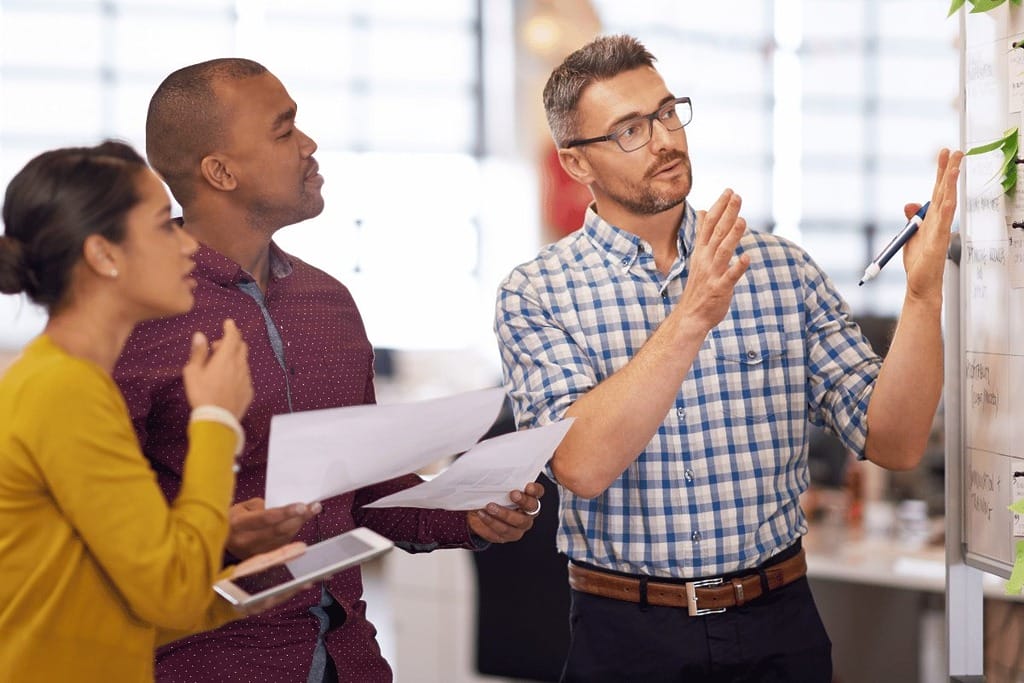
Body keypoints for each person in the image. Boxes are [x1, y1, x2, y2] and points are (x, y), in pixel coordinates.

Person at [493, 34, 962, 683]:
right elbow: (582, 464)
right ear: (576, 164)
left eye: (665, 112)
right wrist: (691, 317)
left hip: (780, 620)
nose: (663, 138)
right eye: (630, 129)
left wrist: (922, 294)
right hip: (627, 635)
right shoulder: (537, 292)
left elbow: (897, 439)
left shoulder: (777, 267)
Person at [112, 58, 544, 683]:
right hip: (202, 661)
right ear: (220, 170)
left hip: (350, 657)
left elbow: (361, 495)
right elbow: (89, 519)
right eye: (284, 131)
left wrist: (467, 515)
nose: (309, 145)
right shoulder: (135, 313)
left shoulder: (329, 302)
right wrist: (216, 535)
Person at [0, 141, 305, 682]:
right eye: (165, 225)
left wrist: (227, 599)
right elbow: (169, 592)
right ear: (103, 254)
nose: (187, 245)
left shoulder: (68, 380)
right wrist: (215, 421)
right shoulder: (63, 389)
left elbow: (99, 602)